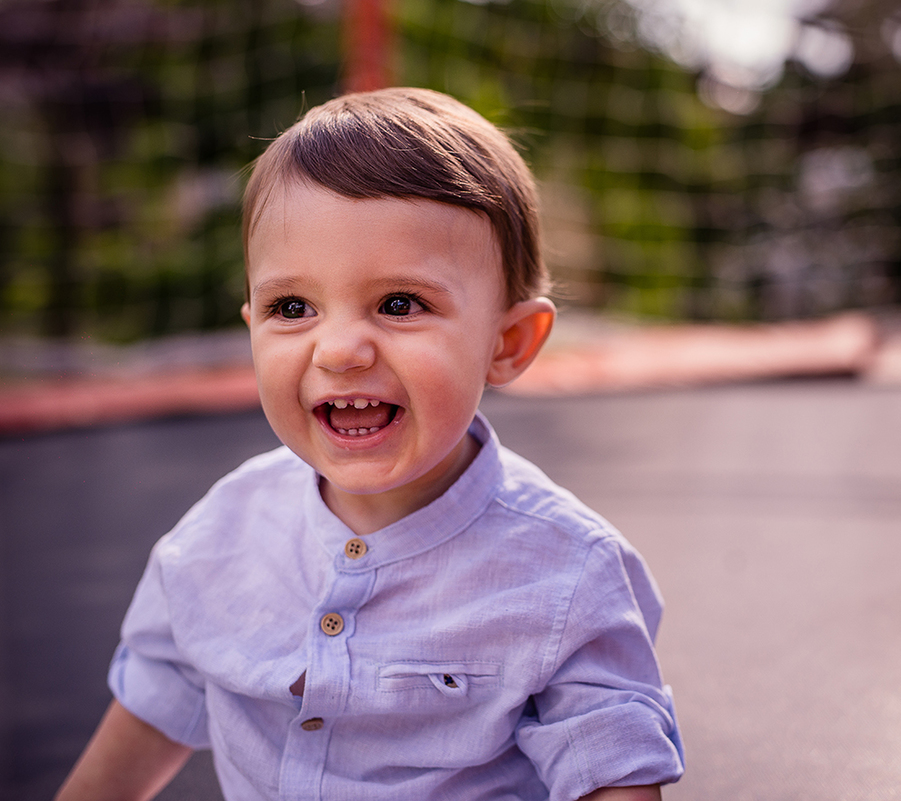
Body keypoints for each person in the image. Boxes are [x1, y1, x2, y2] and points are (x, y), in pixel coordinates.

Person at [55, 88, 684, 801]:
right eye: (293, 307)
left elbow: (611, 770)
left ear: (506, 343)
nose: (340, 349)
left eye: (399, 304)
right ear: (252, 324)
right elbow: (151, 707)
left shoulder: (567, 572)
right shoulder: (218, 536)